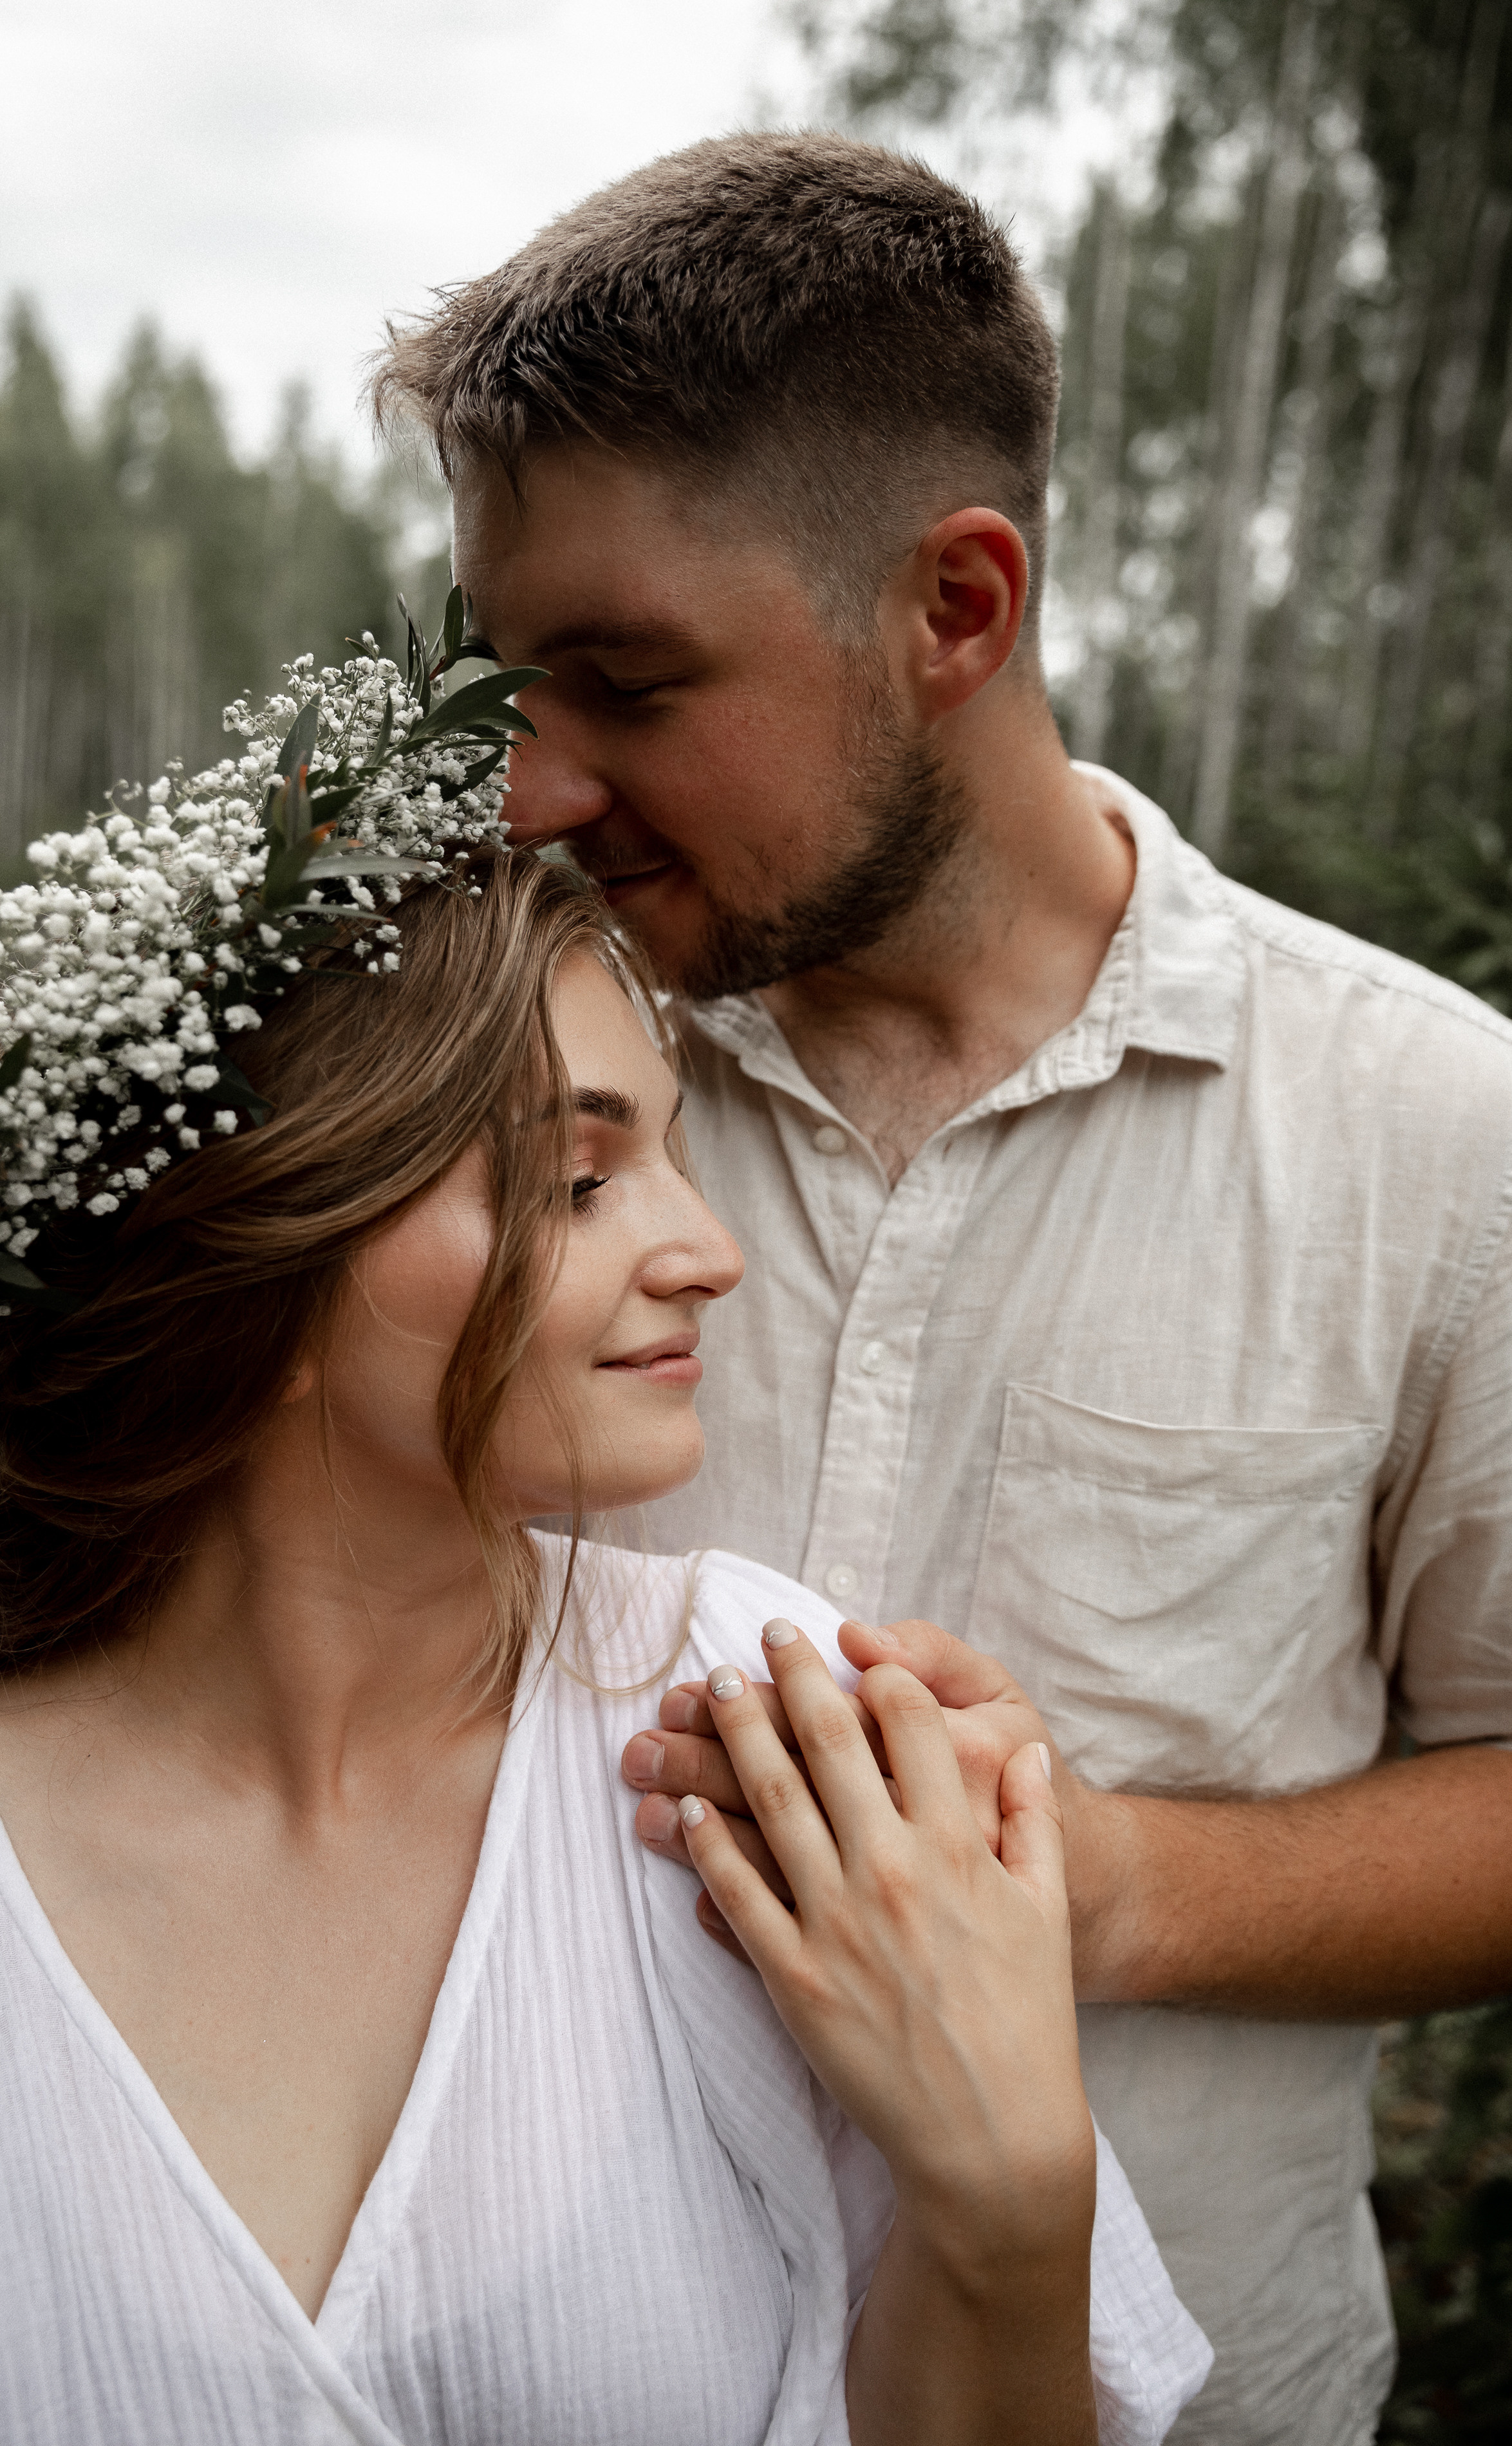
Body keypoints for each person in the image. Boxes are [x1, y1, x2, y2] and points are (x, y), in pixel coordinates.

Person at [371, 129, 1512, 2445]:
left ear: (957, 608)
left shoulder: (1443, 1134)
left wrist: (1117, 1890)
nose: (531, 791)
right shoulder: (481, 1111)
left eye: (625, 681)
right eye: (511, 684)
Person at [0, 723, 1211, 2439]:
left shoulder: (756, 1735)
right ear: (252, 1278)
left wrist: (1017, 2190)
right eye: (579, 1179)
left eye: (671, 1152)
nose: (707, 1251)